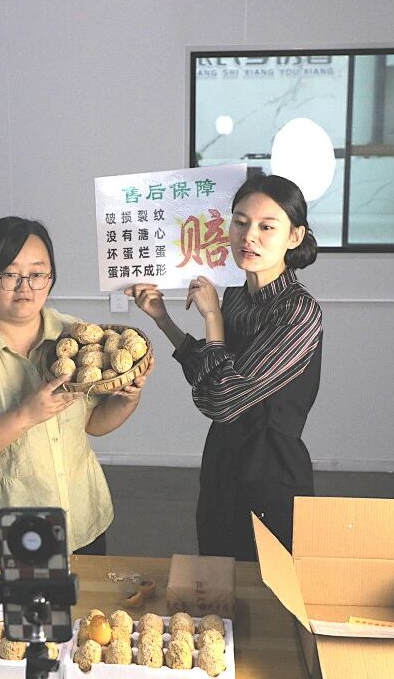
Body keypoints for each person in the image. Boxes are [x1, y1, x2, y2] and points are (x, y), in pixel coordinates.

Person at [0, 216, 152, 555]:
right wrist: (25, 416)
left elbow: (92, 423)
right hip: (9, 529)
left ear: (50, 278)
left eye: (37, 274)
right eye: (10, 274)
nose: (26, 287)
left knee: (90, 592)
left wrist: (126, 400)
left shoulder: (75, 336)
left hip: (81, 520)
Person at [127, 174, 322, 560]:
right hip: (222, 461)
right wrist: (163, 319)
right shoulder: (237, 294)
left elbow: (221, 399)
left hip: (270, 473)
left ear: (295, 236)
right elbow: (209, 372)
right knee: (215, 577)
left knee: (265, 585)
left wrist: (213, 318)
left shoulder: (298, 311)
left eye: (267, 227)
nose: (249, 236)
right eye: (240, 222)